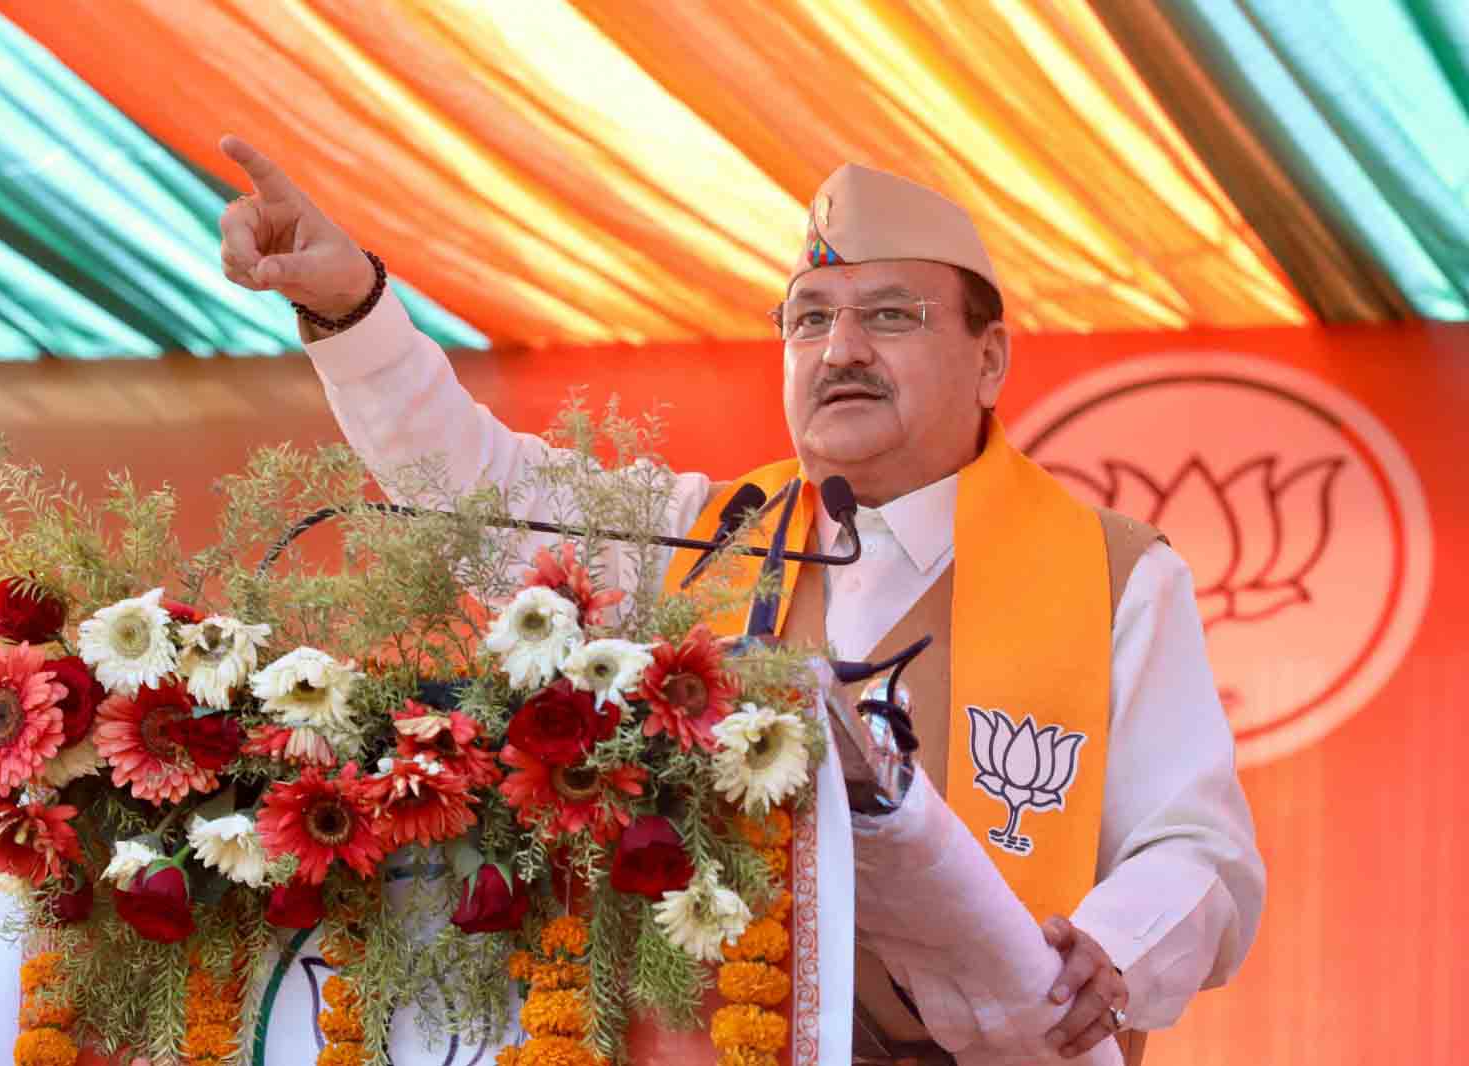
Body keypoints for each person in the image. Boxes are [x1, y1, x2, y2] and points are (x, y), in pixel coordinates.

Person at [215, 135, 1265, 1066]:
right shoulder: (698, 541)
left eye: (888, 316)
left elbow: (1196, 851)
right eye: (807, 320)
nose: (839, 349)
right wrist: (352, 308)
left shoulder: (1111, 574)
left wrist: (1113, 950)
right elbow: (474, 488)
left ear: (989, 358)